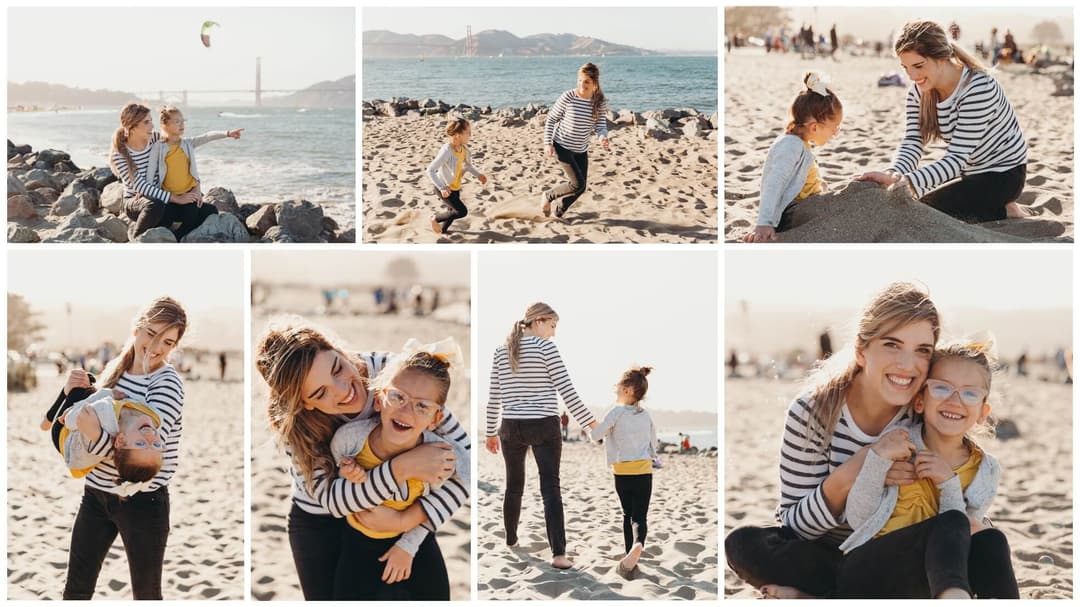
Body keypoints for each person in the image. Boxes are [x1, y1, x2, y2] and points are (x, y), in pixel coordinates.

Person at [725, 282, 1016, 598]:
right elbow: (795, 528)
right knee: (743, 544)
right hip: (825, 558)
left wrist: (974, 522)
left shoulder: (924, 411)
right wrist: (858, 467)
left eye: (922, 351)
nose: (907, 364)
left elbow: (958, 506)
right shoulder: (811, 413)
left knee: (988, 539)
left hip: (896, 558)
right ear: (861, 350)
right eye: (892, 344)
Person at [256, 324, 469, 600]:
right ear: (304, 403)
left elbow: (466, 464)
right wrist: (402, 467)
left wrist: (409, 520)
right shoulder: (294, 423)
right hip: (320, 521)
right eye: (320, 393)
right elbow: (333, 501)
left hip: (402, 506)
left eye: (337, 368)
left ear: (339, 350)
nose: (343, 390)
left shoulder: (396, 377)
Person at [59, 297, 188, 599]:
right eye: (152, 334)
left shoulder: (168, 383)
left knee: (145, 595)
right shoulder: (114, 371)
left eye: (168, 342)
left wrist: (94, 431)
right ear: (137, 329)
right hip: (95, 494)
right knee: (76, 588)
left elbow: (146, 449)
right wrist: (70, 402)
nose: (157, 347)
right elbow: (75, 421)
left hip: (143, 501)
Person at [329, 340, 469, 600]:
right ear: (380, 399)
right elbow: (335, 486)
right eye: (398, 397)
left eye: (422, 406)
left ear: (436, 419)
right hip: (356, 543)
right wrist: (346, 473)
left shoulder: (437, 455)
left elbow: (460, 484)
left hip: (414, 544)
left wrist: (407, 545)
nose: (407, 411)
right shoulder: (348, 440)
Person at [856, 20, 1029, 223]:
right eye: (905, 68)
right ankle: (987, 203)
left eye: (918, 66)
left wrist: (906, 182)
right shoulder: (918, 92)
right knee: (918, 205)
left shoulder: (979, 87)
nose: (912, 76)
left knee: (924, 210)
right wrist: (894, 172)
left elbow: (955, 159)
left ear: (943, 57)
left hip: (1004, 174)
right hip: (970, 172)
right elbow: (913, 140)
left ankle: (1006, 210)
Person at [485, 302, 597, 569]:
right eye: (552, 326)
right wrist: (593, 425)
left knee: (513, 486)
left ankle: (511, 540)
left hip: (510, 427)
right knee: (550, 487)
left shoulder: (501, 351)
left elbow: (494, 398)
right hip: (544, 425)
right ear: (538, 321)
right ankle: (558, 554)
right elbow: (567, 391)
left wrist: (490, 432)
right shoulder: (546, 348)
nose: (553, 333)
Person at [744, 72, 843, 242]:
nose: (835, 133)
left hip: (806, 206)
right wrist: (764, 223)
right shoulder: (791, 146)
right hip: (793, 213)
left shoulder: (799, 143)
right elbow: (774, 183)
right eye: (835, 128)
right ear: (814, 127)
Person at [589, 366, 657, 580]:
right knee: (640, 516)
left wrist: (592, 427)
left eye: (618, 385)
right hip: (644, 471)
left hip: (623, 471)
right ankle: (638, 544)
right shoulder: (645, 415)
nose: (615, 388)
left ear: (628, 390)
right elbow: (653, 443)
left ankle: (631, 551)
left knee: (627, 513)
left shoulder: (615, 411)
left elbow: (596, 435)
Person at [146, 105, 243, 240]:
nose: (182, 125)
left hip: (188, 195)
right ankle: (177, 231)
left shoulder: (187, 144)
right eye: (177, 122)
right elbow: (150, 173)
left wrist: (227, 133)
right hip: (169, 198)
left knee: (210, 211)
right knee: (164, 218)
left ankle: (177, 236)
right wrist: (144, 190)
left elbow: (207, 136)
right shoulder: (158, 147)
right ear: (165, 124)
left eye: (183, 121)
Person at [109, 103, 200, 240]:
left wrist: (195, 188)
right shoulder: (119, 155)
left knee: (205, 209)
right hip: (136, 201)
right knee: (155, 204)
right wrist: (177, 199)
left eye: (151, 121)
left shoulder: (156, 139)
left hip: (162, 196)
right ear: (131, 127)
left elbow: (181, 148)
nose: (152, 126)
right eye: (146, 122)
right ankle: (137, 239)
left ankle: (176, 235)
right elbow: (140, 186)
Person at [540, 62, 611, 219]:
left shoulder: (599, 101)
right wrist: (547, 143)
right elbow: (551, 119)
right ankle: (548, 196)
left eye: (586, 81)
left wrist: (603, 137)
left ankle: (558, 213)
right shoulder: (569, 97)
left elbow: (600, 125)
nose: (582, 84)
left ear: (595, 84)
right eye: (579, 80)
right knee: (577, 184)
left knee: (580, 188)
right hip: (562, 146)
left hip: (581, 149)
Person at [426, 118, 487, 234]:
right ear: (458, 135)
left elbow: (468, 166)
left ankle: (442, 232)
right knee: (461, 211)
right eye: (468, 132)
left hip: (455, 187)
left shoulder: (464, 150)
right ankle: (435, 218)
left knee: (451, 213)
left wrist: (478, 175)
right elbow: (430, 170)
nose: (470, 135)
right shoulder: (447, 150)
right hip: (444, 188)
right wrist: (442, 187)